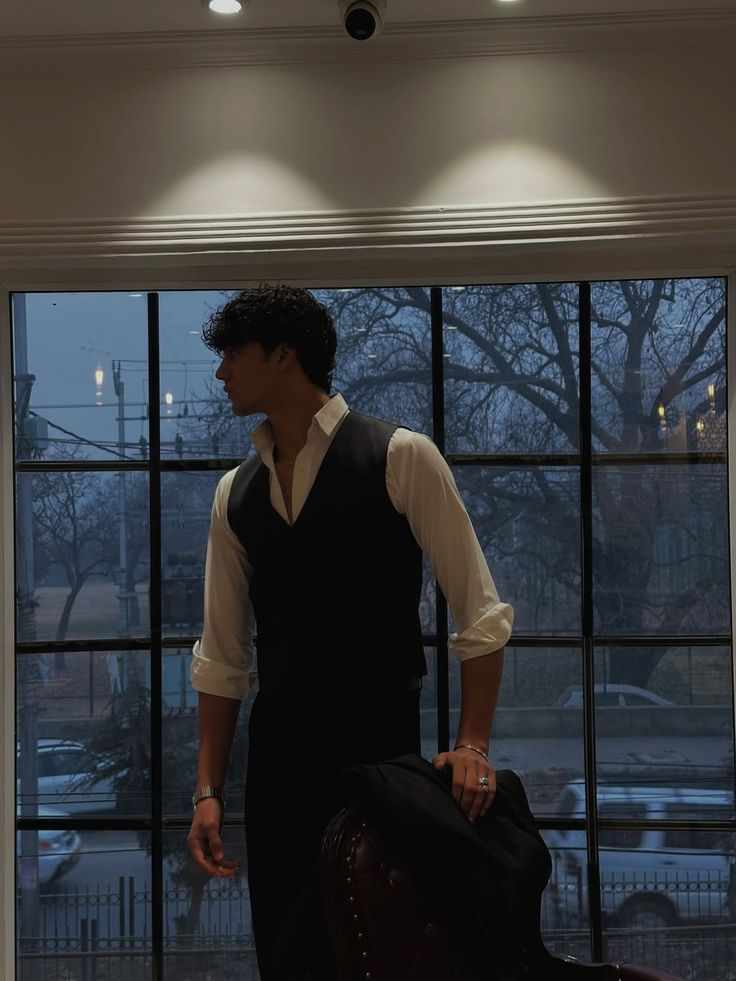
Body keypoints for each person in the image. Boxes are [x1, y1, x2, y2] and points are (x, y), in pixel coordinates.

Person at [186, 284, 514, 980]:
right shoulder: (234, 494)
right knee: (288, 958)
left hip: (379, 761)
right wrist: (207, 790)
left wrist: (472, 744)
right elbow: (221, 657)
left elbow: (480, 613)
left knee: (382, 957)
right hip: (277, 772)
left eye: (233, 355)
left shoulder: (402, 456)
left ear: (284, 355)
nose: (220, 373)